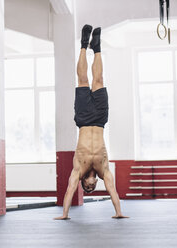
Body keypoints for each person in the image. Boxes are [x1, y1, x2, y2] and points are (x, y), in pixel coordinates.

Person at [54, 24, 128, 220]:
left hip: (84, 120)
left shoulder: (78, 169)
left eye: (87, 187)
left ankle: (83, 45)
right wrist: (119, 212)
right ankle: (97, 47)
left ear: (83, 183)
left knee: (83, 81)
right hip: (101, 120)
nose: (90, 186)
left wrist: (64, 214)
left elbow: (70, 190)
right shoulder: (104, 170)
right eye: (92, 187)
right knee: (99, 81)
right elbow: (112, 189)